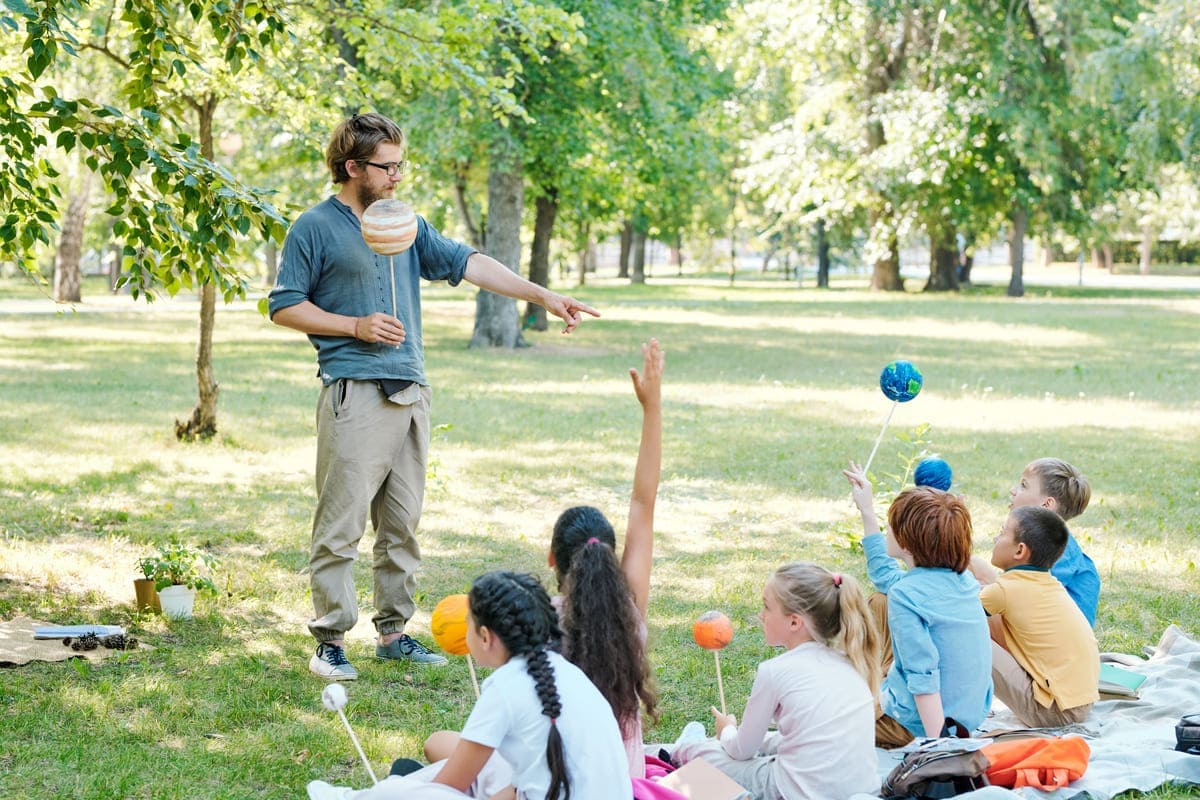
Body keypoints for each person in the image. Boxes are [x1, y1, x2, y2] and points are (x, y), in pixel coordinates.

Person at [268, 112, 599, 680]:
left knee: (402, 525)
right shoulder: (315, 228)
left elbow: (470, 263)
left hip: (411, 391)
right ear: (353, 167)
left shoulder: (407, 224)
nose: (398, 177)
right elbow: (283, 305)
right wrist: (356, 326)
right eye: (387, 167)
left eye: (402, 165)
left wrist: (542, 295)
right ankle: (330, 639)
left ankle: (393, 633)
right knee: (341, 524)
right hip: (355, 392)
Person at [307, 571, 632, 800]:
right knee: (470, 769)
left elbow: (450, 785)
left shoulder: (506, 686)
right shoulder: (567, 673)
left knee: (398, 790)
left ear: (486, 636)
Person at [670, 563, 881, 800]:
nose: (761, 615)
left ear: (794, 622)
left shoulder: (774, 671)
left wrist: (727, 729)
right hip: (861, 789)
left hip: (794, 791)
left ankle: (687, 745)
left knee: (704, 753)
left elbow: (742, 750)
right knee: (775, 740)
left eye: (767, 607)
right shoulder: (851, 662)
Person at [550, 339, 663, 779]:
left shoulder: (539, 622)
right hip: (625, 782)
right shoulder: (628, 612)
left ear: (551, 558)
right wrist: (652, 408)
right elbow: (643, 503)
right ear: (611, 556)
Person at [843, 462, 993, 747]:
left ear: (907, 543)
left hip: (917, 723)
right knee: (878, 601)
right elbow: (883, 574)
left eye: (890, 525)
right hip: (969, 717)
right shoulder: (961, 580)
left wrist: (938, 748)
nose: (887, 529)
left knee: (822, 712)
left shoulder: (906, 595)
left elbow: (922, 675)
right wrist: (866, 510)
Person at [980, 506, 1099, 728]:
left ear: (1020, 551)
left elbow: (957, 615)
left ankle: (956, 706)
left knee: (963, 635)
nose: (996, 536)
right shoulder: (1047, 583)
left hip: (1051, 712)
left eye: (1003, 532)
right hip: (1080, 703)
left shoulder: (1005, 590)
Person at [971, 458, 1098, 627]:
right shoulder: (1046, 540)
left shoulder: (1058, 553)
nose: (1013, 490)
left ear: (1046, 504)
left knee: (970, 600)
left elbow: (1025, 600)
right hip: (1031, 620)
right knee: (972, 566)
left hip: (1046, 643)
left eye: (1024, 485)